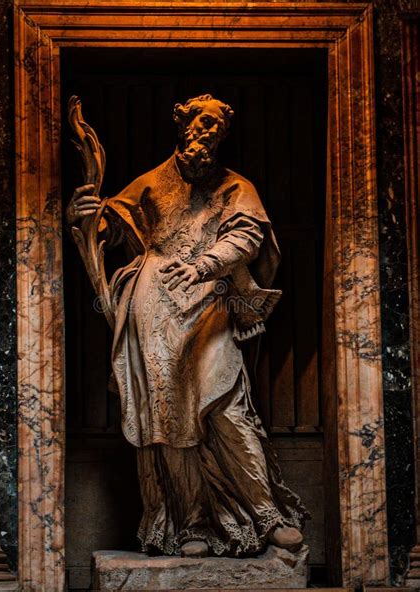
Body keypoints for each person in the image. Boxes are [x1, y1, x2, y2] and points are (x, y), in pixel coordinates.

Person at [67, 94, 308, 558]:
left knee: (226, 406)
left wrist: (205, 265)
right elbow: (108, 228)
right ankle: (188, 523)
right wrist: (84, 216)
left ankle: (265, 514)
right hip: (152, 303)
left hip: (209, 302)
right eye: (203, 120)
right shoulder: (152, 183)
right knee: (166, 416)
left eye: (218, 125)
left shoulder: (236, 187)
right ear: (184, 125)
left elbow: (248, 236)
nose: (209, 130)